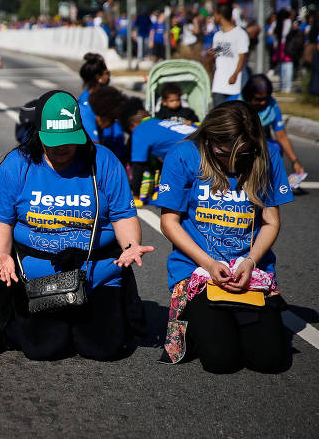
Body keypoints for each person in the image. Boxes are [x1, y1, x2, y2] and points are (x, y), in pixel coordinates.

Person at [0, 91, 152, 361]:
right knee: (42, 349)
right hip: (39, 275)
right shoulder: (18, 164)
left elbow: (123, 214)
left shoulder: (104, 161)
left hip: (97, 273)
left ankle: (93, 318)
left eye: (69, 141)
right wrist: (3, 253)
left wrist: (131, 246)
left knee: (102, 349)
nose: (62, 148)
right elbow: (2, 219)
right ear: (38, 133)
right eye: (53, 142)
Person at [155, 101, 293, 373]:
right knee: (221, 361)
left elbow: (271, 221)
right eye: (223, 153)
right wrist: (209, 265)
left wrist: (251, 262)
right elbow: (169, 222)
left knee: (270, 361)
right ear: (209, 137)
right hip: (199, 270)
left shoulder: (266, 156)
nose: (231, 162)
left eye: (240, 155)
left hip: (250, 271)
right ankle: (195, 322)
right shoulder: (183, 154)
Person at [232, 74, 306, 176]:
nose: (263, 103)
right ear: (248, 95)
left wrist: (295, 162)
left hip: (260, 143)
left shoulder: (272, 105)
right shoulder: (234, 104)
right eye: (258, 99)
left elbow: (281, 136)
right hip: (236, 144)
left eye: (266, 98)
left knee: (275, 147)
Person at [123, 103, 197, 204]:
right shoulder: (158, 122)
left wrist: (135, 196)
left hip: (193, 147)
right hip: (200, 138)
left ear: (132, 124)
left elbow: (138, 166)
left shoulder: (139, 130)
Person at [76, 53, 125, 160]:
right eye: (107, 73)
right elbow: (94, 145)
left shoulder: (110, 96)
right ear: (98, 77)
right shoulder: (85, 104)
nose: (109, 76)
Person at [208, 2, 249, 107]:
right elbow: (218, 54)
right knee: (219, 116)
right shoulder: (217, 35)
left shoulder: (240, 34)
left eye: (215, 14)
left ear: (220, 15)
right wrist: (212, 55)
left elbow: (242, 56)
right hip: (219, 83)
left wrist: (235, 75)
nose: (213, 17)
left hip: (234, 84)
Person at [272, 9, 295, 93]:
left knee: (282, 66)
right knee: (288, 65)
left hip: (280, 46)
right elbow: (287, 34)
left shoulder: (278, 23)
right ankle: (287, 86)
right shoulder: (288, 22)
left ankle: (282, 85)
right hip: (287, 45)